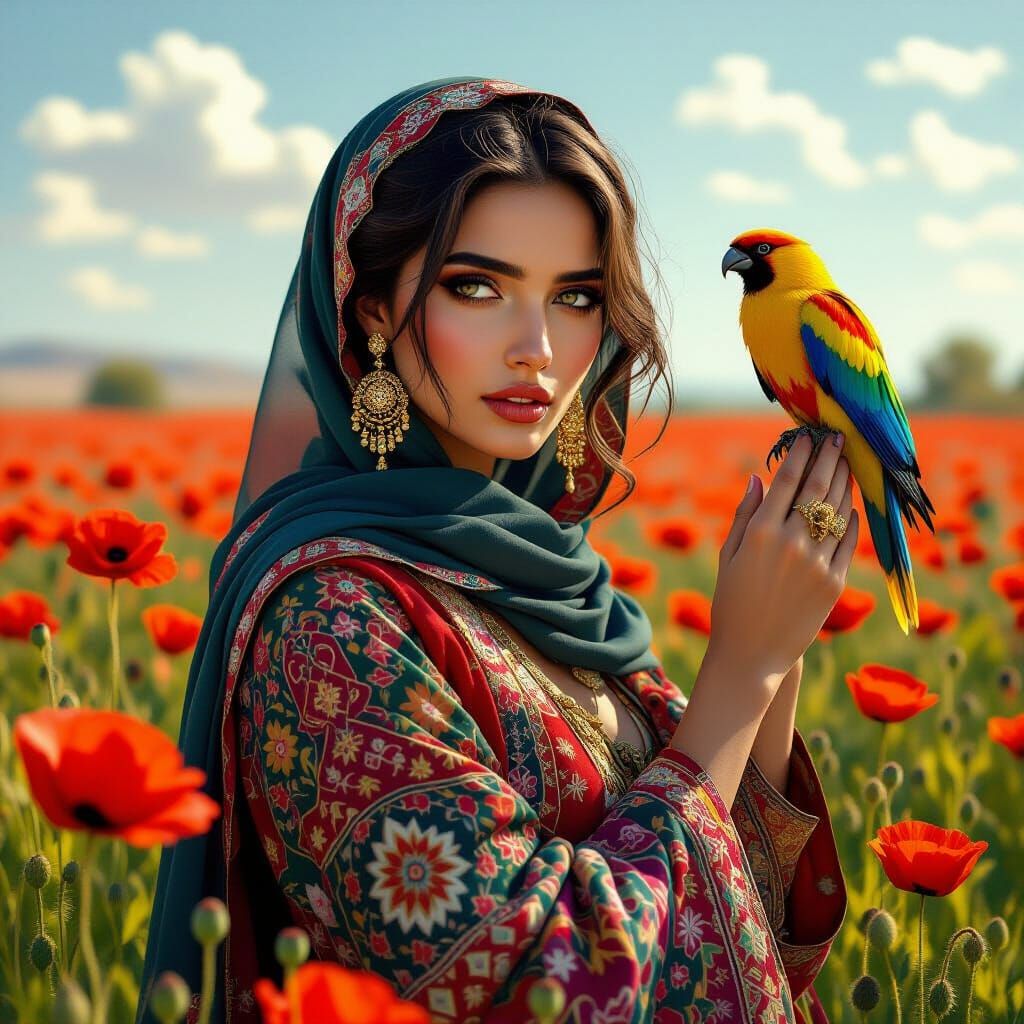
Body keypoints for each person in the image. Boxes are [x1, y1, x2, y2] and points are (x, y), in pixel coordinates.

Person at [138, 76, 856, 1024]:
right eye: (476, 286)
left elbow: (747, 923)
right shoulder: (331, 622)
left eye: (576, 296)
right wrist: (742, 668)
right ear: (371, 311)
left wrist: (779, 652)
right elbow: (540, 987)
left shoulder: (555, 584)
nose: (539, 348)